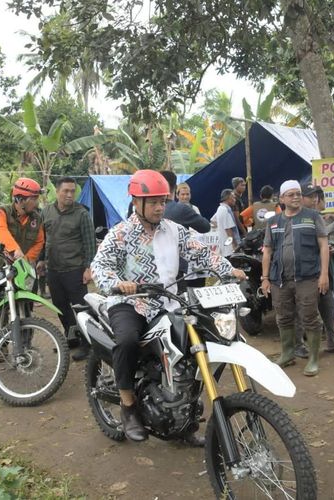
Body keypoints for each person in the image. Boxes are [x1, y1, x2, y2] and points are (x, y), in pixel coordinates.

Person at [91, 170, 245, 442]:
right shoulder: (121, 233)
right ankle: (128, 406)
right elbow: (99, 267)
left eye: (162, 201)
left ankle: (183, 420)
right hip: (131, 302)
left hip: (170, 302)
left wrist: (229, 269)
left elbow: (202, 252)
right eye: (152, 202)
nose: (160, 207)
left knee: (189, 354)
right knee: (127, 341)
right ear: (136, 202)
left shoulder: (174, 230)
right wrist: (118, 282)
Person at [262, 180, 330, 376]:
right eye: (291, 194)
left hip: (307, 277)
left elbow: (324, 245)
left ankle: (314, 358)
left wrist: (324, 274)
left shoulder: (313, 216)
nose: (296, 197)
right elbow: (267, 250)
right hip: (279, 279)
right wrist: (265, 278)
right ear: (282, 199)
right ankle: (287, 353)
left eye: (298, 194)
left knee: (310, 316)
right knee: (283, 317)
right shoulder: (273, 222)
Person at [40, 177, 96, 361]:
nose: (70, 194)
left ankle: (88, 345)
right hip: (53, 270)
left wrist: (89, 268)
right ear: (57, 192)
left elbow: (90, 243)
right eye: (66, 191)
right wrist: (41, 260)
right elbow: (42, 239)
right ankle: (72, 339)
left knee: (82, 309)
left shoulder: (81, 214)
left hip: (75, 270)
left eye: (73, 191)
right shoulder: (47, 211)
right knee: (61, 307)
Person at [300, 183, 334, 355]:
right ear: (301, 198)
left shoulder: (316, 216)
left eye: (316, 195)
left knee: (328, 305)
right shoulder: (293, 217)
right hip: (302, 274)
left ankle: (332, 340)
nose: (315, 199)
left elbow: (322, 241)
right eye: (311, 196)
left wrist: (327, 248)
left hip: (320, 270)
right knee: (304, 310)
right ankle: (299, 345)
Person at [0, 177, 45, 270]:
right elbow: (0, 230)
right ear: (20, 200)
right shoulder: (2, 212)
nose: (37, 203)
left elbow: (39, 242)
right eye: (34, 199)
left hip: (23, 270)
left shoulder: (37, 219)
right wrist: (15, 250)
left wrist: (25, 260)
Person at [213, 189, 241, 257]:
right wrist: (235, 245)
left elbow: (213, 221)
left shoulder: (220, 208)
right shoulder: (226, 210)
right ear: (228, 198)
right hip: (230, 249)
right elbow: (228, 230)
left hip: (224, 246)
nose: (235, 199)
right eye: (233, 197)